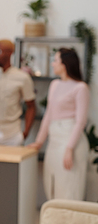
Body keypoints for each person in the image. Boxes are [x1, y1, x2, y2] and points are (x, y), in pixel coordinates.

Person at [27, 48, 89, 200]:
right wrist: (39, 142)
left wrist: (69, 149)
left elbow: (81, 121)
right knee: (52, 185)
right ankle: (56, 223)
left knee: (68, 189)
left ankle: (70, 223)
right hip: (54, 142)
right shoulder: (55, 84)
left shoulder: (80, 88)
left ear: (65, 64)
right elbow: (49, 114)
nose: (52, 64)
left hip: (70, 141)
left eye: (55, 60)